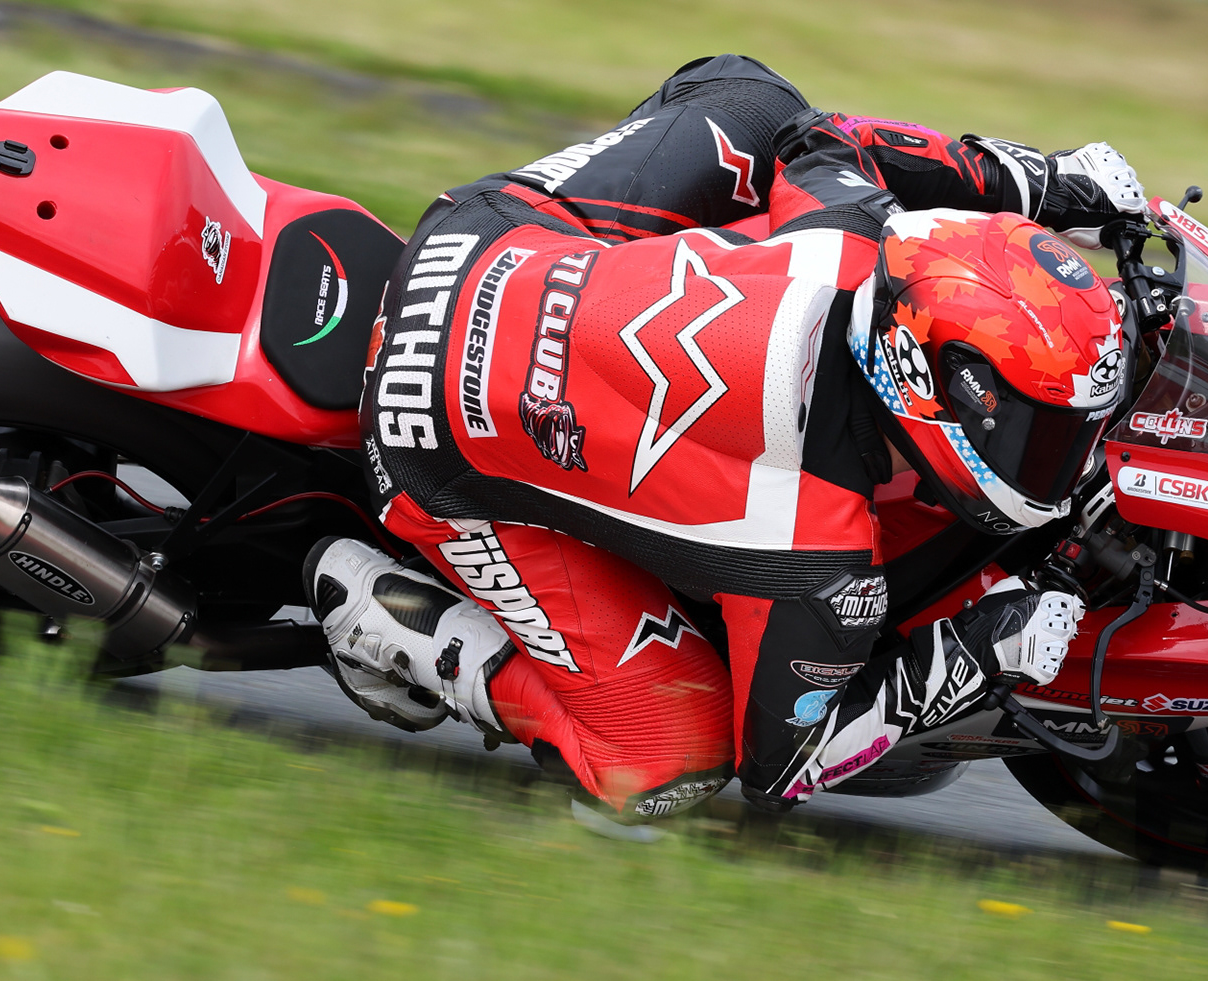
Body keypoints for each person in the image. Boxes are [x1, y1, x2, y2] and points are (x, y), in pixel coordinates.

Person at [307, 54, 1147, 820]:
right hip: (429, 441)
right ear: (925, 390)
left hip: (479, 238)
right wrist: (980, 649)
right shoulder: (816, 545)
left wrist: (1043, 182)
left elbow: (828, 141)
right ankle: (402, 627)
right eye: (1039, 433)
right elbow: (784, 764)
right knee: (669, 760)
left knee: (753, 98)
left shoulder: (847, 234)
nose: (1063, 459)